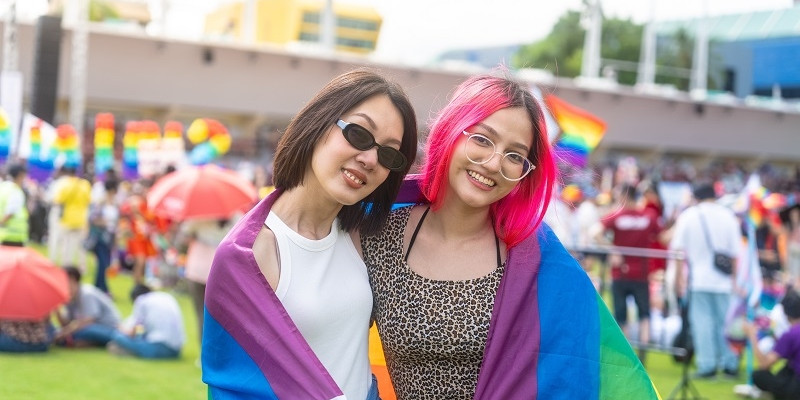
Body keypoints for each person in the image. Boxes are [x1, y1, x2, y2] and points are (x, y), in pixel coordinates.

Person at [358, 73, 658, 399]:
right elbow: (333, 345)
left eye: (515, 156)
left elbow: (578, 367)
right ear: (451, 131)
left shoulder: (537, 258)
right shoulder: (378, 234)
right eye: (482, 139)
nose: (493, 164)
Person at [202, 68, 418, 400]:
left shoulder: (363, 232)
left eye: (389, 154)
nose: (370, 159)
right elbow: (234, 384)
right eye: (359, 134)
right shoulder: (249, 255)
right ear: (319, 123)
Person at [669, 182, 741, 379]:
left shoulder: (689, 215)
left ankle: (707, 365)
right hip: (724, 281)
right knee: (725, 324)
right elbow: (736, 253)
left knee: (702, 323)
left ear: (697, 197)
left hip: (698, 279)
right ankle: (730, 364)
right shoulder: (728, 216)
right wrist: (735, 279)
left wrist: (678, 278)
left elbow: (678, 251)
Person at [597, 184, 662, 361]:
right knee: (644, 315)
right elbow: (662, 236)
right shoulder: (649, 216)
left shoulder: (617, 216)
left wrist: (612, 250)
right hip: (641, 273)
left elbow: (595, 232)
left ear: (623, 196)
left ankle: (627, 356)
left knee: (621, 315)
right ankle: (643, 354)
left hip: (621, 272)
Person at [744, 288, 800, 399]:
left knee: (759, 375)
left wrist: (752, 336)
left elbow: (765, 364)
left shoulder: (791, 334)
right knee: (786, 369)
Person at [107, 284, 185, 359]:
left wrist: (121, 328)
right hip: (177, 350)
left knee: (117, 335)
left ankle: (130, 351)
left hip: (159, 348)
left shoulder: (141, 300)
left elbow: (134, 332)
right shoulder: (166, 297)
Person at [54, 266, 121, 347]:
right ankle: (84, 342)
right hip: (89, 328)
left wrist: (65, 332)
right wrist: (57, 310)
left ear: (74, 280)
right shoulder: (70, 298)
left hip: (108, 328)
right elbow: (66, 324)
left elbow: (88, 321)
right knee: (59, 330)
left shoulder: (86, 294)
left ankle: (84, 341)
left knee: (84, 331)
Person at [52, 166, 92, 270]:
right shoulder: (85, 184)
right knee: (81, 245)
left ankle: (66, 265)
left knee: (66, 244)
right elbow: (89, 200)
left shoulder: (65, 185)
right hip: (81, 219)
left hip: (67, 219)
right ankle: (82, 267)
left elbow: (58, 200)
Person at [0, 163, 29, 246]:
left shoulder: (3, 187)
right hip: (13, 236)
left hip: (3, 234)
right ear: (20, 175)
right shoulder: (16, 191)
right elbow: (10, 212)